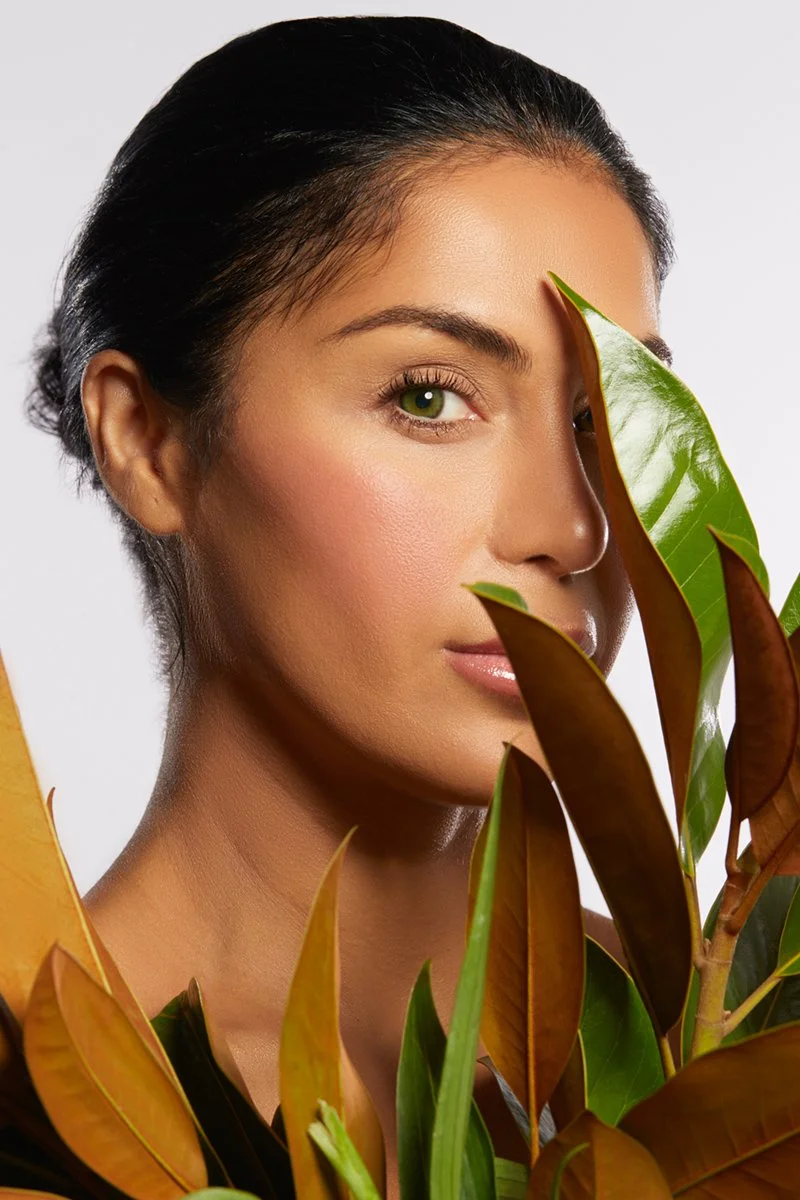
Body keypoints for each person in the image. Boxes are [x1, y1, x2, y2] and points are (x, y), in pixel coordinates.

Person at [25, 13, 675, 1189]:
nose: (574, 528)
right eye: (429, 397)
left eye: (607, 418)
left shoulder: (734, 1074)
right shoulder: (33, 1127)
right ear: (150, 440)